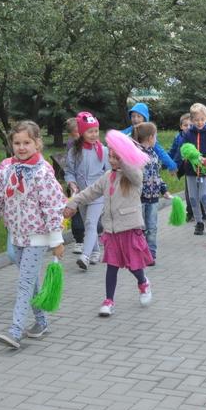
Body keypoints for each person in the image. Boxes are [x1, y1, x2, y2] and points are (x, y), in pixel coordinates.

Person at [0, 121, 66, 349]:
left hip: (37, 237)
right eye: (17, 143)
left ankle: (15, 331)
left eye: (27, 142)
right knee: (31, 280)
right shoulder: (7, 171)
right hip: (16, 235)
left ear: (37, 143)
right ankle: (41, 321)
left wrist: (56, 239)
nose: (22, 147)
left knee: (25, 283)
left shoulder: (42, 173)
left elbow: (52, 206)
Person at [65, 130, 153, 317]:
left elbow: (136, 176)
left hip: (130, 229)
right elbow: (90, 192)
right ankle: (109, 301)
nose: (112, 161)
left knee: (134, 266)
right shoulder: (107, 177)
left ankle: (143, 282)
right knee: (112, 266)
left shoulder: (134, 176)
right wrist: (73, 203)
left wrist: (123, 157)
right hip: (111, 231)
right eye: (110, 157)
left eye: (116, 157)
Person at [65, 112, 110, 269]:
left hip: (98, 195)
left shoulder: (103, 151)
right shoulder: (74, 151)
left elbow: (109, 172)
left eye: (96, 131)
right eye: (90, 131)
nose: (94, 135)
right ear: (82, 132)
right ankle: (95, 251)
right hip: (82, 196)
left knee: (91, 223)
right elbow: (69, 171)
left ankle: (85, 256)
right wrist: (71, 183)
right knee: (88, 225)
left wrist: (107, 189)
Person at [179, 103, 206, 235]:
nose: (199, 122)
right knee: (192, 198)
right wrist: (187, 155)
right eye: (196, 120)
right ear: (192, 120)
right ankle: (198, 223)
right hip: (190, 171)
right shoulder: (188, 134)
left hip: (205, 170)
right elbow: (183, 148)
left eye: (202, 119)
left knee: (204, 196)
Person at [133, 122, 171, 265]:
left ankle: (151, 255)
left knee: (152, 227)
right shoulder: (136, 154)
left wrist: (164, 189)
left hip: (154, 198)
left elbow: (157, 175)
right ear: (150, 137)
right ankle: (139, 253)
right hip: (139, 198)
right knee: (140, 228)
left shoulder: (154, 154)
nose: (156, 139)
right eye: (155, 136)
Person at [122, 102, 177, 171]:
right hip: (129, 167)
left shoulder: (148, 134)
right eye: (133, 116)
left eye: (139, 116)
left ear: (145, 118)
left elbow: (159, 151)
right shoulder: (126, 133)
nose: (135, 119)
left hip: (145, 168)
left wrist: (172, 165)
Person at [169, 113, 198, 222]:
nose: (188, 127)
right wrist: (169, 164)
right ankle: (190, 212)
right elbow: (173, 152)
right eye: (185, 125)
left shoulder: (196, 136)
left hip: (197, 168)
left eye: (191, 125)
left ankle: (202, 211)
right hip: (186, 168)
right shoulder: (178, 137)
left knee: (199, 190)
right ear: (181, 126)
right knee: (189, 191)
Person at [64, 118, 85, 254]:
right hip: (75, 186)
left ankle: (88, 239)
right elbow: (70, 168)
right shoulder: (73, 145)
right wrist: (72, 183)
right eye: (76, 133)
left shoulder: (91, 144)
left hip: (87, 185)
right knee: (76, 214)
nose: (79, 135)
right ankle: (79, 241)